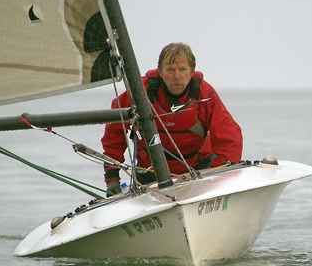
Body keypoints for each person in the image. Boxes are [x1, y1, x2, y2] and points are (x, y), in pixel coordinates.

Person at [101, 43, 243, 196]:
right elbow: (114, 135)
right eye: (170, 70)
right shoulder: (139, 92)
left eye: (182, 69)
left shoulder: (204, 94)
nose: (177, 76)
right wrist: (112, 180)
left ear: (192, 71)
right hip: (150, 173)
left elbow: (229, 138)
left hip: (199, 168)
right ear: (160, 72)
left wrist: (221, 180)